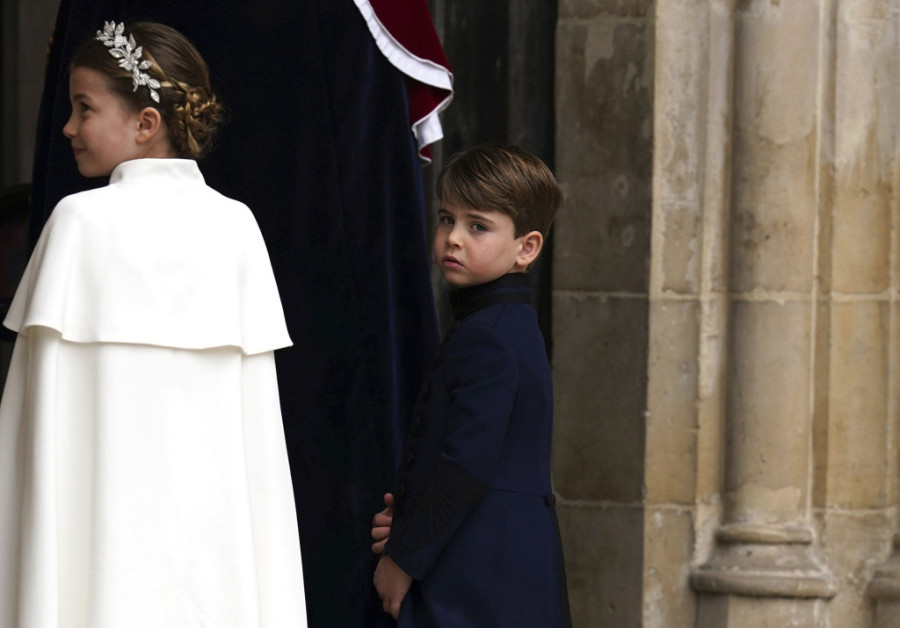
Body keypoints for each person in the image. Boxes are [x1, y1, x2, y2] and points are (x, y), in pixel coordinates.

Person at [0, 21, 306, 627]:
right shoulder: (236, 225)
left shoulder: (78, 222)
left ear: (146, 123)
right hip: (214, 564)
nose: (67, 128)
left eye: (84, 108)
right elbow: (259, 461)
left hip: (95, 554)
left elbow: (29, 435)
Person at [371, 144, 571, 626]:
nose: (453, 238)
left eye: (477, 226)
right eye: (446, 219)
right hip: (493, 562)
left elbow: (466, 468)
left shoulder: (491, 336)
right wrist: (410, 519)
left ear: (527, 248)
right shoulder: (503, 324)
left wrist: (403, 559)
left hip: (479, 577)